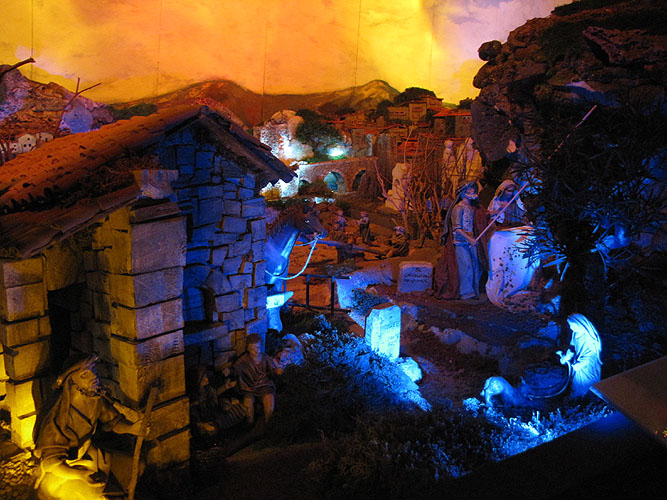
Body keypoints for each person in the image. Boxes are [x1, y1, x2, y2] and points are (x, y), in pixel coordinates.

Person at [34, 354, 146, 500]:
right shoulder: (57, 416)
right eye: (85, 374)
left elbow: (114, 422)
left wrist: (132, 428)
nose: (94, 376)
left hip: (90, 455)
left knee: (137, 466)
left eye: (93, 369)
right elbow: (51, 462)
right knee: (88, 495)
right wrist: (80, 475)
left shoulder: (94, 398)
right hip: (64, 469)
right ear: (71, 381)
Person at [232, 334, 283, 426]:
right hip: (249, 388)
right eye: (253, 349)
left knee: (269, 404)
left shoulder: (265, 358)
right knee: (248, 407)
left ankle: (269, 424)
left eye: (258, 348)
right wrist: (229, 371)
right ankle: (249, 425)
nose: (256, 351)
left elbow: (272, 370)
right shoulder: (243, 360)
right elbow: (235, 369)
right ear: (248, 349)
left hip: (265, 386)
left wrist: (277, 371)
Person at [557, 313, 602, 399]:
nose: (571, 327)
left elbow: (591, 354)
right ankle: (576, 399)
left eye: (572, 325)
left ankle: (587, 400)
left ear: (579, 324)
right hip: (577, 366)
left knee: (586, 386)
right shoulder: (575, 334)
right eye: (569, 325)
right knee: (576, 385)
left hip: (587, 368)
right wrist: (566, 356)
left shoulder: (588, 338)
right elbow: (572, 348)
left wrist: (581, 363)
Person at [191, 367, 245, 437]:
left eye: (206, 376)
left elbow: (214, 396)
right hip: (207, 419)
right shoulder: (196, 397)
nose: (207, 379)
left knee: (232, 411)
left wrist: (225, 387)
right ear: (198, 381)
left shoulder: (208, 389)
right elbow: (195, 413)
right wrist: (202, 424)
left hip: (215, 413)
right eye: (204, 378)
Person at [451, 182, 483, 299]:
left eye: (473, 189)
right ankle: (466, 292)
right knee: (466, 266)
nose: (472, 191)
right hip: (462, 242)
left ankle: (474, 290)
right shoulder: (458, 208)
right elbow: (457, 228)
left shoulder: (472, 207)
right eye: (469, 190)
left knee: (475, 266)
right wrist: (469, 239)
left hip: (472, 240)